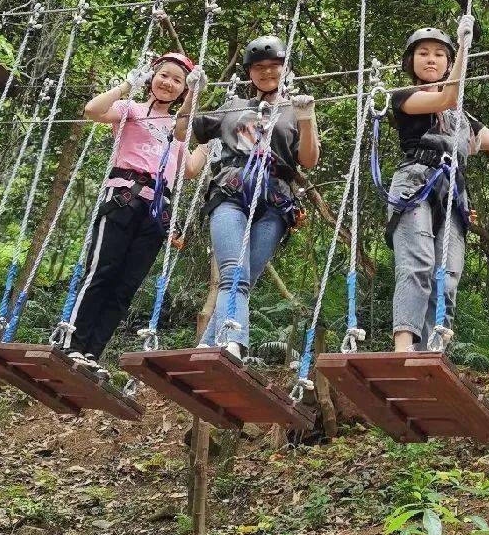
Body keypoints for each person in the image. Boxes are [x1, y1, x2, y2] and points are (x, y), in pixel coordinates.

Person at [388, 24, 489, 353]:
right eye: (423, 53)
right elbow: (447, 95)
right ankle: (403, 347)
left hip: (452, 194)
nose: (431, 60)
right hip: (415, 183)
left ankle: (433, 349)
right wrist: (464, 46)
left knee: (447, 273)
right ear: (410, 61)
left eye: (440, 55)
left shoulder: (462, 117)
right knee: (418, 262)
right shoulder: (404, 98)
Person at [66, 51, 204, 374]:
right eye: (164, 76)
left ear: (184, 90)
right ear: (152, 78)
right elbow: (92, 110)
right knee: (102, 272)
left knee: (125, 286)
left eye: (177, 81)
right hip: (123, 199)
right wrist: (128, 84)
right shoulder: (132, 110)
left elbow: (192, 169)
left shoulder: (178, 130)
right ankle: (71, 343)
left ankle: (90, 354)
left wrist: (215, 135)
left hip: (157, 213)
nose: (169, 83)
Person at [190, 34, 320, 360]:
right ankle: (232, 341)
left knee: (245, 278)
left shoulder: (295, 109)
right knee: (234, 273)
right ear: (250, 73)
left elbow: (308, 160)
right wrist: (191, 94)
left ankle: (208, 345)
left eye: (274, 66)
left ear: (285, 70)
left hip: (275, 201)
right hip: (231, 192)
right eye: (259, 68)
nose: (266, 73)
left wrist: (307, 118)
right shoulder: (232, 108)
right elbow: (187, 132)